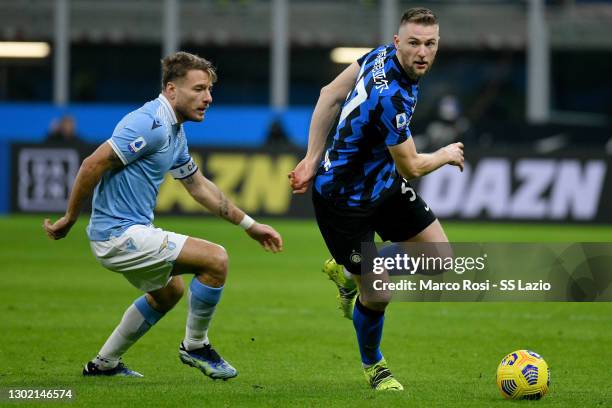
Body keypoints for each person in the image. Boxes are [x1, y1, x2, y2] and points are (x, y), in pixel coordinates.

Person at [43, 51, 283, 379]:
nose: (208, 98)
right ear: (171, 90)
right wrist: (70, 218)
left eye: (209, 90)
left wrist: (250, 225)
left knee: (169, 292)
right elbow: (92, 164)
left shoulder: (175, 131)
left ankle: (104, 364)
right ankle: (195, 345)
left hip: (129, 231)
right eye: (198, 89)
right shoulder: (149, 123)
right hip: (118, 234)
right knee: (216, 260)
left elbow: (198, 186)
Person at [289, 8, 463, 391]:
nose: (422, 52)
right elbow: (414, 166)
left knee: (440, 259)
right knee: (379, 291)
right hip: (342, 203)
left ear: (437, 45)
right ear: (399, 42)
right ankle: (374, 366)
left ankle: (349, 270)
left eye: (429, 44)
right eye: (414, 43)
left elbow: (329, 94)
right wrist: (447, 154)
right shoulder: (392, 97)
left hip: (382, 186)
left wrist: (311, 158)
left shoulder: (380, 55)